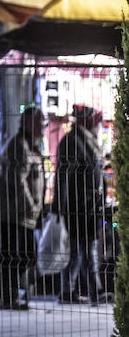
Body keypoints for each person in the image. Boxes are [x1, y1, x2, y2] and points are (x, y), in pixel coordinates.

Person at [0, 103, 45, 310]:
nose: (44, 126)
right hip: (11, 213)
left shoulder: (31, 145)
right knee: (13, 255)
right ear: (29, 122)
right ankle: (7, 295)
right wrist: (31, 205)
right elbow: (17, 181)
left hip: (22, 214)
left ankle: (3, 289)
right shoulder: (18, 145)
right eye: (40, 121)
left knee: (25, 254)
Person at [53, 104, 105, 304]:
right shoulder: (73, 142)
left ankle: (88, 291)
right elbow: (62, 177)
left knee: (86, 249)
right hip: (77, 207)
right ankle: (75, 291)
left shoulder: (86, 141)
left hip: (89, 207)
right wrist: (59, 207)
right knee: (77, 251)